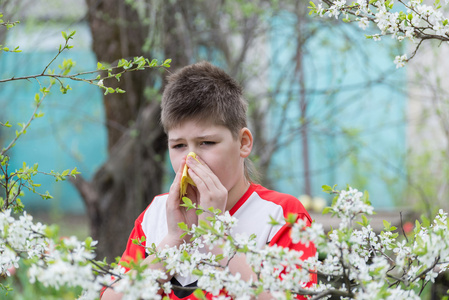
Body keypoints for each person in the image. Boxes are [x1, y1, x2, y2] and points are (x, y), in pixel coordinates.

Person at [101, 61, 317, 299]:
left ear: (243, 143)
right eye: (179, 146)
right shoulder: (155, 215)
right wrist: (174, 239)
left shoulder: (281, 215)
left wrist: (216, 234)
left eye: (207, 143)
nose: (191, 158)